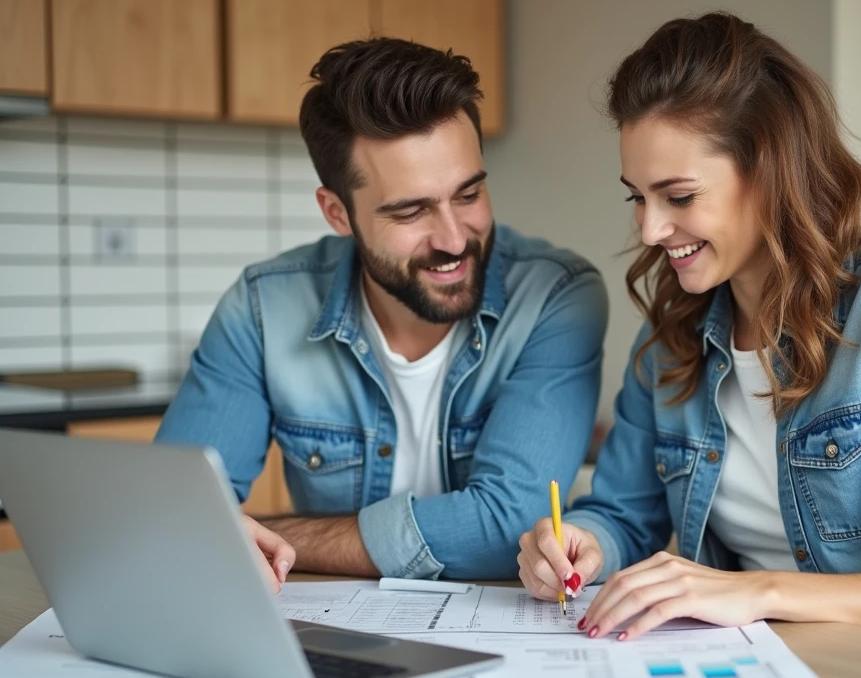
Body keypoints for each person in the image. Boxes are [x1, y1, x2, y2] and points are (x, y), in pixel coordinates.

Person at [517, 12, 861, 660]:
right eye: (636, 197)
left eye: (680, 197)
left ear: (769, 171)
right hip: (769, 669)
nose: (651, 231)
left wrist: (757, 592)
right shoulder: (670, 337)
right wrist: (580, 541)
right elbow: (625, 512)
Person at [157, 37, 608, 590]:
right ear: (337, 213)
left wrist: (276, 539)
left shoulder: (554, 295)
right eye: (411, 210)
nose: (452, 239)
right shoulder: (264, 308)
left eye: (468, 195)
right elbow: (173, 517)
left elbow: (507, 525)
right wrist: (212, 530)